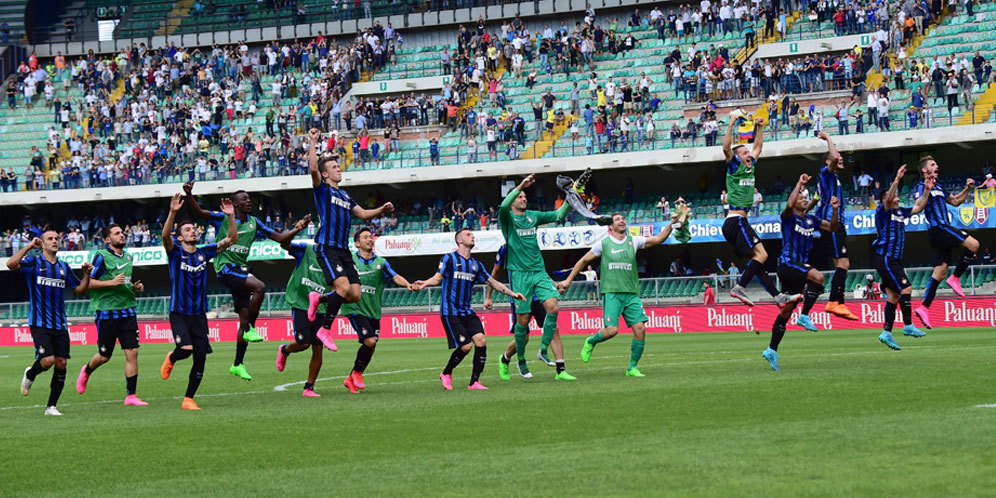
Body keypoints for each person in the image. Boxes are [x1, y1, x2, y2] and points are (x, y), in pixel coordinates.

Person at [184, 182, 292, 381]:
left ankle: (238, 364)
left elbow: (279, 237)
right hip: (225, 269)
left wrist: (298, 229)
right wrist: (189, 194)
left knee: (243, 320)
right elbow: (198, 211)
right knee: (260, 287)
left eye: (249, 199)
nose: (248, 201)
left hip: (241, 270)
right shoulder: (222, 218)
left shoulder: (255, 222)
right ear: (234, 204)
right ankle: (251, 327)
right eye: (244, 200)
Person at [304, 128, 394, 351]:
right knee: (343, 289)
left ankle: (319, 299)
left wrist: (381, 209)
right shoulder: (322, 190)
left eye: (337, 166)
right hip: (327, 247)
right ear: (326, 174)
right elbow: (313, 167)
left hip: (343, 251)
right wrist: (313, 142)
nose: (338, 168)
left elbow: (362, 214)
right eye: (334, 167)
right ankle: (324, 329)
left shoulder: (344, 195)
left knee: (354, 294)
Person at [557, 214, 676, 377]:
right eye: (618, 219)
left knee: (640, 329)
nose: (622, 221)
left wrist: (672, 224)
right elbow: (583, 261)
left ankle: (632, 367)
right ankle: (591, 341)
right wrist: (568, 280)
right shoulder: (603, 244)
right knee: (612, 330)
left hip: (631, 293)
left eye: (623, 219)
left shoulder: (634, 241)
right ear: (610, 227)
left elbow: (657, 240)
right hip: (612, 292)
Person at [410, 229, 524, 390]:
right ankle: (446, 373)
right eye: (468, 234)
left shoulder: (476, 265)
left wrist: (512, 293)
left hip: (467, 311)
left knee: (481, 341)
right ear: (460, 240)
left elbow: (492, 282)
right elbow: (437, 278)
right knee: (466, 346)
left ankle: (474, 382)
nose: (472, 236)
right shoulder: (449, 258)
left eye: (472, 234)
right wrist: (424, 283)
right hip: (450, 311)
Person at [159, 193, 237, 410]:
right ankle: (172, 357)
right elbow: (165, 236)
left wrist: (230, 216)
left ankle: (188, 399)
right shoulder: (174, 253)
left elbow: (232, 239)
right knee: (186, 348)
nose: (193, 230)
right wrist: (173, 212)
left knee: (200, 357)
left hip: (199, 314)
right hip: (179, 312)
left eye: (194, 228)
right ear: (180, 237)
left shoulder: (205, 252)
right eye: (187, 229)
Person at [498, 173, 576, 380]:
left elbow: (559, 215)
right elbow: (503, 207)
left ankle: (543, 350)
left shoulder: (533, 216)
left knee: (554, 307)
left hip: (539, 272)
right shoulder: (507, 218)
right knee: (522, 323)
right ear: (513, 199)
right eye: (520, 196)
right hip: (520, 275)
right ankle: (520, 361)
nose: (524, 198)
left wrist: (571, 197)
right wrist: (520, 185)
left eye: (524, 196)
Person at [11, 230, 92, 416]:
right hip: (39, 322)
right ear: (43, 243)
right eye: (50, 239)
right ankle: (30, 374)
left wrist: (86, 274)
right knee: (47, 361)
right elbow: (11, 264)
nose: (55, 241)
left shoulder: (64, 267)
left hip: (60, 324)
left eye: (57, 238)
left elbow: (79, 290)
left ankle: (51, 407)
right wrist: (29, 247)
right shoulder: (33, 262)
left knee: (61, 363)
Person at [721, 111, 797, 307]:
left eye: (748, 152)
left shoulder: (750, 165)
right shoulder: (734, 166)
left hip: (737, 222)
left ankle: (777, 296)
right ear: (738, 157)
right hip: (735, 220)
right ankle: (739, 287)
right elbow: (726, 147)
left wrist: (760, 127)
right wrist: (731, 122)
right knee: (763, 255)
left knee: (757, 262)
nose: (749, 154)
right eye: (744, 152)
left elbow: (759, 147)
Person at [764, 175, 839, 370]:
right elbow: (789, 204)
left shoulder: (810, 219)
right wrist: (799, 183)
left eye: (805, 197)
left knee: (787, 309)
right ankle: (805, 315)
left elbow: (832, 227)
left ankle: (771, 350)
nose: (804, 198)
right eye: (801, 197)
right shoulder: (788, 217)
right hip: (788, 263)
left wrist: (835, 210)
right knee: (819, 277)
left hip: (798, 268)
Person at [74, 224, 147, 406]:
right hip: (107, 312)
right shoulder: (101, 257)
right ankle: (87, 370)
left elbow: (124, 283)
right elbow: (87, 283)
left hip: (128, 310)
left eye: (122, 232)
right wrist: (111, 283)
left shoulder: (129, 257)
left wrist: (135, 288)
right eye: (117, 233)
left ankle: (131, 396)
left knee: (132, 352)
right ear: (107, 240)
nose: (121, 235)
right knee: (104, 356)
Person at [338, 227, 413, 393]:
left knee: (371, 346)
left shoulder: (381, 262)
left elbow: (394, 276)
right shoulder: (349, 261)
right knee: (370, 341)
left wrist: (407, 283)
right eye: (365, 237)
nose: (369, 239)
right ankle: (357, 373)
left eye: (371, 237)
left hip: (373, 310)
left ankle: (351, 378)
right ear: (357, 243)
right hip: (354, 306)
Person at [483, 244, 569, 381]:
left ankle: (561, 370)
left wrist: (554, 285)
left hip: (538, 296)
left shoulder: (530, 243)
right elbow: (495, 273)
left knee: (554, 329)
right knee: (525, 338)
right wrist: (488, 297)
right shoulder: (506, 248)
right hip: (520, 296)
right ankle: (505, 359)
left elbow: (540, 270)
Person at [913, 156, 980, 329]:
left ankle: (924, 307)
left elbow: (956, 201)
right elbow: (919, 205)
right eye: (933, 164)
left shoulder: (940, 186)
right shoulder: (921, 187)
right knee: (974, 245)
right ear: (925, 170)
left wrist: (967, 189)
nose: (937, 165)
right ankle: (956, 277)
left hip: (941, 231)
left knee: (939, 272)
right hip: (939, 228)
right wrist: (927, 190)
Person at [872, 165, 930, 349]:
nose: (897, 196)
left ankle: (886, 332)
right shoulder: (883, 212)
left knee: (894, 296)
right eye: (895, 195)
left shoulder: (900, 212)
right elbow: (889, 199)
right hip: (886, 258)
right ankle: (908, 325)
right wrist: (896, 179)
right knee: (907, 288)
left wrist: (927, 190)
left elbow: (919, 207)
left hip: (894, 259)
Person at [274, 215, 328, 398]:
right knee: (304, 343)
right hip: (301, 303)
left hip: (322, 307)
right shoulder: (306, 250)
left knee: (318, 347)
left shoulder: (335, 259)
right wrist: (297, 229)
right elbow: (284, 244)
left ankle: (309, 387)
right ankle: (284, 350)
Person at [810, 131, 858, 320]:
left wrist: (806, 210)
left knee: (842, 264)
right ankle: (833, 302)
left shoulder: (832, 179)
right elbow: (834, 157)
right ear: (828, 162)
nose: (840, 159)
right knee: (844, 263)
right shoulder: (826, 174)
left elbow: (816, 198)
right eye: (836, 158)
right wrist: (828, 138)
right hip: (832, 223)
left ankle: (840, 303)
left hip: (835, 222)